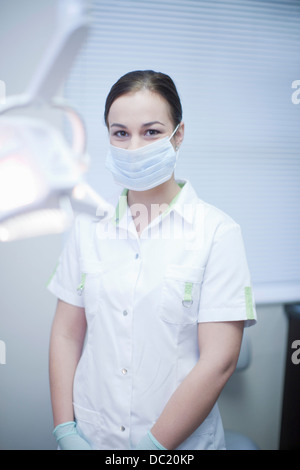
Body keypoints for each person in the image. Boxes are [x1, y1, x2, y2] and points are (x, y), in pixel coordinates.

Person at [48, 70, 257, 450]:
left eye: (151, 132)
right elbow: (65, 335)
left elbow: (219, 362)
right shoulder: (86, 229)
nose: (134, 148)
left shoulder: (217, 233)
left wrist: (153, 449)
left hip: (179, 447)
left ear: (178, 135)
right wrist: (65, 430)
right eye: (121, 133)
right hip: (93, 438)